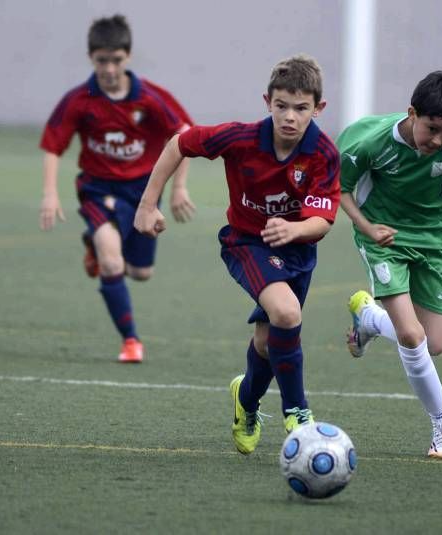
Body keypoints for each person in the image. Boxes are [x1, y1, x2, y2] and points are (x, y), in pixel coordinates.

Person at [134, 54, 340, 454]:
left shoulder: (323, 154)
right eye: (282, 106)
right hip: (246, 243)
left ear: (318, 108)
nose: (290, 117)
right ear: (267, 102)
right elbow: (180, 142)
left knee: (266, 342)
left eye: (301, 108)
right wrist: (147, 203)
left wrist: (295, 228)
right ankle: (297, 409)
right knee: (287, 313)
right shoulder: (241, 138)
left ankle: (245, 400)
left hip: (296, 252)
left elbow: (324, 220)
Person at [338, 71, 442, 460]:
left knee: (434, 344)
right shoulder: (372, 142)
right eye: (432, 129)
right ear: (412, 113)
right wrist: (367, 226)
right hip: (383, 240)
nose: (438, 141)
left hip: (432, 240)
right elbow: (340, 188)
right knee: (412, 337)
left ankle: (369, 318)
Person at [38, 14, 195, 364]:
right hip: (97, 189)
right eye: (101, 60)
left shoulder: (151, 98)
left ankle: (97, 249)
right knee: (112, 261)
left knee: (140, 273)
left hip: (143, 193)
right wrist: (50, 193)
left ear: (128, 57)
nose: (109, 68)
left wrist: (178, 188)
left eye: (116, 60)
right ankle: (131, 341)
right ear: (91, 58)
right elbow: (52, 145)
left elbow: (184, 136)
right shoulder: (79, 100)